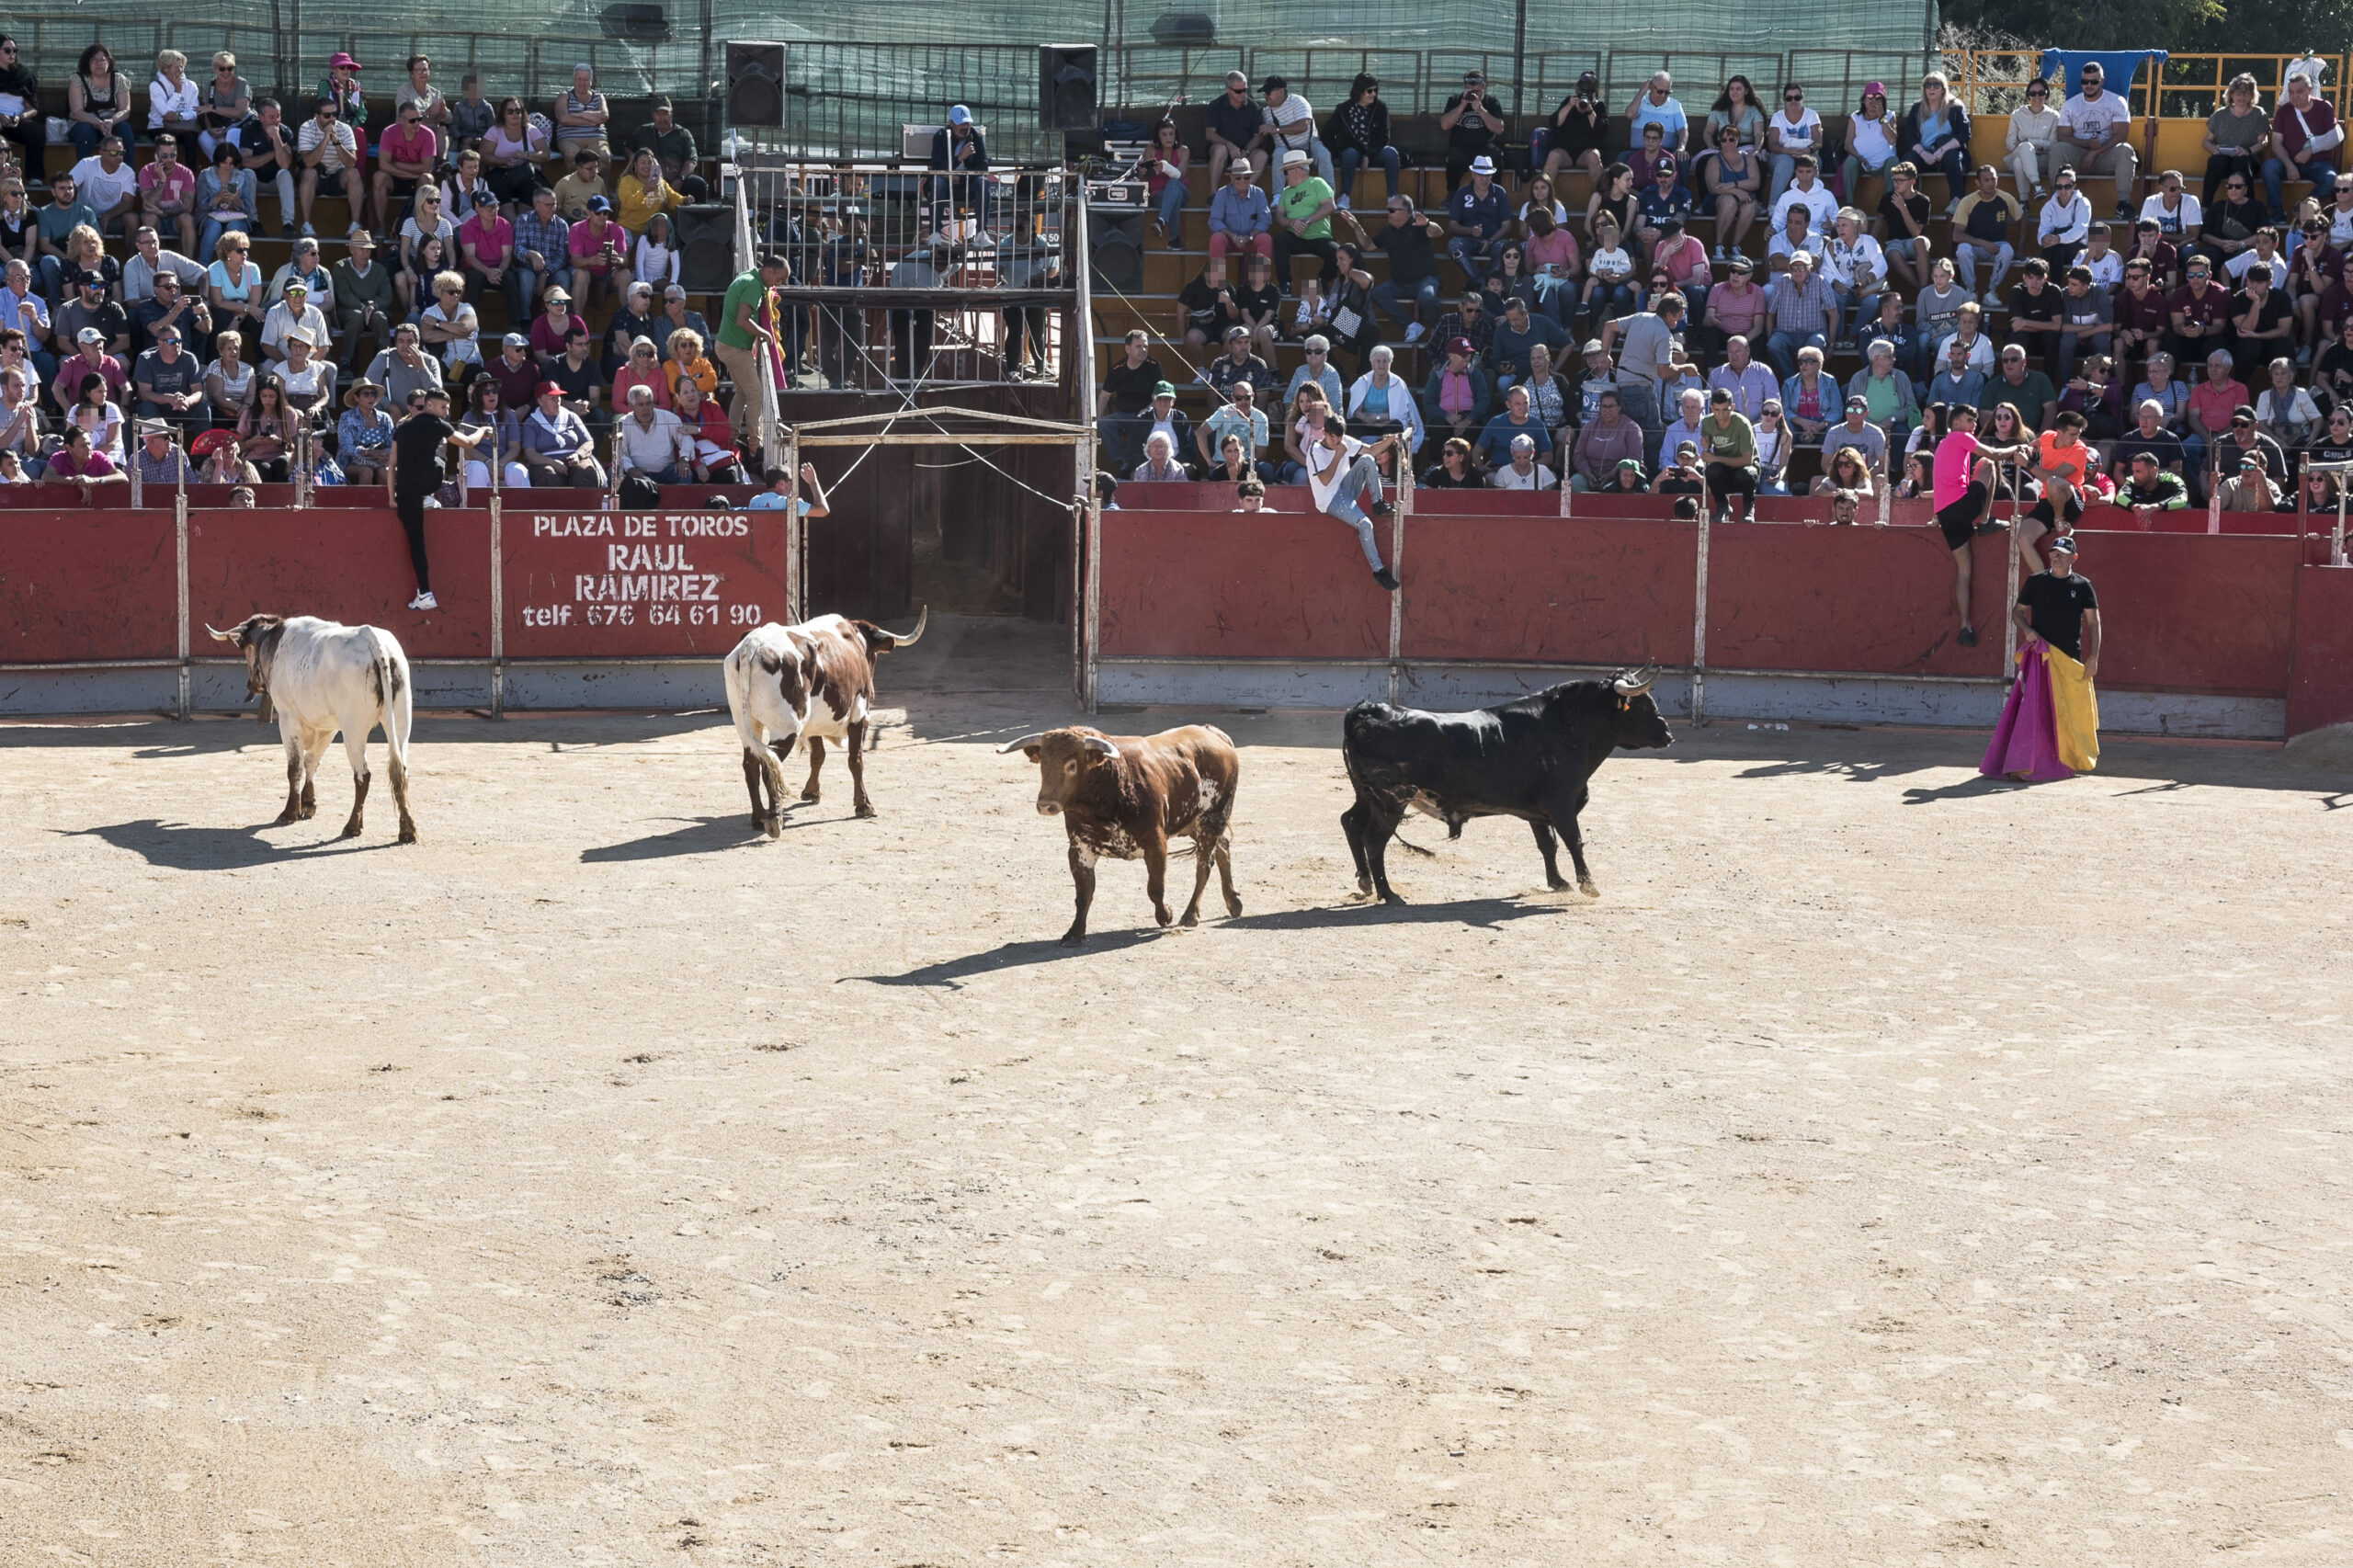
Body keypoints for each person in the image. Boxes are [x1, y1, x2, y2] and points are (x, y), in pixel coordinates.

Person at [1984, 535, 2100, 781]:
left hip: (2070, 660)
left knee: (2067, 713)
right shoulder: (2036, 582)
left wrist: (2094, 657)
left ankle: (2066, 758)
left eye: (2062, 554)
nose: (2056, 557)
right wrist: (2027, 630)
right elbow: (2017, 613)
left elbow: (2094, 622)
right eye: (2053, 553)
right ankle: (2026, 763)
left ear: (2074, 558)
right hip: (2041, 658)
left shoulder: (2083, 585)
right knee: (2034, 712)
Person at [1934, 403, 2032, 645]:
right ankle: (1986, 520)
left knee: (1964, 572)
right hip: (1962, 506)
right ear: (1956, 422)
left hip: (1945, 513)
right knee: (1989, 463)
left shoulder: (1944, 444)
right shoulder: (1961, 436)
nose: (1974, 424)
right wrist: (2019, 446)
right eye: (1970, 420)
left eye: (1975, 421)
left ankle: (1965, 627)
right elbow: (1995, 454)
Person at [388, 384, 487, 609]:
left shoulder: (402, 428)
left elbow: (392, 464)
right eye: (443, 407)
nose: (446, 412)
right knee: (440, 462)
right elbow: (469, 443)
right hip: (424, 484)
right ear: (430, 405)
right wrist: (483, 430)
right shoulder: (437, 424)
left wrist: (391, 497)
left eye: (448, 408)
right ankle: (423, 592)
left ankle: (425, 592)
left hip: (404, 491)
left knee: (416, 543)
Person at [1302, 413, 1400, 588]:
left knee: (1368, 460)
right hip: (1329, 500)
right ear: (1325, 432)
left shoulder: (1343, 440)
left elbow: (1371, 450)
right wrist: (1339, 454)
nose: (1337, 443)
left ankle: (1378, 502)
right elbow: (1324, 480)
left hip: (1346, 490)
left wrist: (1392, 439)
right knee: (1366, 525)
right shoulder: (1315, 449)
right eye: (1333, 439)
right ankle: (1378, 571)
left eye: (1340, 439)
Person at [2055, 61, 2137, 221]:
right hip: (2078, 155)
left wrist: (2094, 153)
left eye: (2094, 81)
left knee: (2126, 150)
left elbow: (2121, 135)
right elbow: (2062, 136)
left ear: (2102, 81)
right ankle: (2057, 202)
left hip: (2105, 155)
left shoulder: (2116, 102)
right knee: (2058, 149)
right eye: (2085, 82)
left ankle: (2123, 204)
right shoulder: (2071, 105)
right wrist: (2086, 145)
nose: (2089, 85)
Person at [2266, 72, 2341, 221]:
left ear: (2310, 90)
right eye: (2291, 92)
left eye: (2299, 91)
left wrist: (2310, 151)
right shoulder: (2284, 111)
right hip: (2289, 161)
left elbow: (2334, 136)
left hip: (2318, 163)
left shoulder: (2324, 107)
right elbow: (2276, 143)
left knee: (2332, 179)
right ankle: (2278, 212)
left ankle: (2303, 209)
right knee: (2269, 168)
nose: (2295, 96)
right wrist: (2289, 165)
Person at [1902, 73, 1973, 208]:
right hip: (1924, 153)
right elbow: (1910, 137)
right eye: (1928, 85)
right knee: (1908, 160)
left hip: (1945, 153)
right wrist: (1924, 153)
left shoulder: (1955, 108)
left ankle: (1956, 201)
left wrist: (1942, 150)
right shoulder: (1917, 109)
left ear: (1943, 89)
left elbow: (1965, 134)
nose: (1932, 89)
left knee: (1953, 157)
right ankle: (1905, 201)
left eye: (1936, 85)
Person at [295, 95, 361, 239]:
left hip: (337, 176)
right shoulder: (307, 128)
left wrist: (337, 142)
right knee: (309, 173)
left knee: (354, 173)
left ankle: (355, 224)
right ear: (317, 116)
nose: (332, 118)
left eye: (334, 114)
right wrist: (326, 140)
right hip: (316, 179)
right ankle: (306, 224)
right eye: (327, 115)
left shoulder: (345, 129)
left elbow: (351, 162)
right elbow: (308, 162)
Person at [2204, 74, 2271, 210]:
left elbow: (2263, 141)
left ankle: (2249, 208)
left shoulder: (2259, 114)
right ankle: (2205, 206)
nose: (2242, 96)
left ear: (2252, 95)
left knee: (2242, 162)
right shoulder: (2220, 114)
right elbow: (2206, 141)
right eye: (2238, 92)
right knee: (2215, 161)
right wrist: (2214, 149)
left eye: (2246, 92)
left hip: (2248, 160)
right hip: (2224, 159)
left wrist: (2248, 151)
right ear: (2231, 94)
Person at [926, 103, 990, 243]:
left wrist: (960, 178)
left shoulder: (975, 137)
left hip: (966, 185)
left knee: (983, 183)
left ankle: (982, 233)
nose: (965, 127)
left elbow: (983, 167)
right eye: (961, 124)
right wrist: (959, 158)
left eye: (967, 123)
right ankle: (935, 233)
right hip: (946, 187)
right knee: (938, 183)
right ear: (951, 123)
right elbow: (937, 166)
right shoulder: (941, 136)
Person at [1441, 70, 1506, 191]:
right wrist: (1462, 105)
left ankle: (1494, 194)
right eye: (1470, 90)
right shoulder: (1455, 100)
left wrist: (1481, 110)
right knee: (1454, 157)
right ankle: (1452, 194)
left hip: (1483, 146)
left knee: (1495, 156)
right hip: (1460, 146)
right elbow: (1445, 125)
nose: (1473, 94)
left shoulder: (1491, 102)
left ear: (1484, 87)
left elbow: (1499, 129)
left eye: (1476, 91)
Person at [1764, 84, 1821, 208]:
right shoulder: (1777, 117)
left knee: (1811, 162)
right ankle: (1773, 206)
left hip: (1807, 153)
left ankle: (1816, 204)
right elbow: (1772, 145)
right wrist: (1787, 151)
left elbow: (1818, 142)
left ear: (1802, 97)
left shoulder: (1812, 115)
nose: (1793, 101)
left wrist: (1808, 150)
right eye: (1789, 98)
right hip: (1781, 155)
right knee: (1785, 163)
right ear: (1784, 100)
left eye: (1797, 97)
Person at [551, 62, 610, 170]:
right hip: (570, 138)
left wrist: (581, 114)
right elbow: (564, 119)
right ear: (573, 79)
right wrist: (591, 120)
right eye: (579, 79)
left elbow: (604, 116)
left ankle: (603, 186)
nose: (582, 83)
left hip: (596, 137)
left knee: (605, 156)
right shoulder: (564, 96)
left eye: (585, 79)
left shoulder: (599, 97)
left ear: (591, 81)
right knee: (571, 156)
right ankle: (575, 186)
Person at [39, 425, 123, 496]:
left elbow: (122, 476)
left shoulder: (99, 457)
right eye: (83, 446)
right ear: (68, 448)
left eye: (89, 444)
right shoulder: (59, 457)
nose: (89, 449)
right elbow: (47, 476)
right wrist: (78, 482)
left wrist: (94, 481)